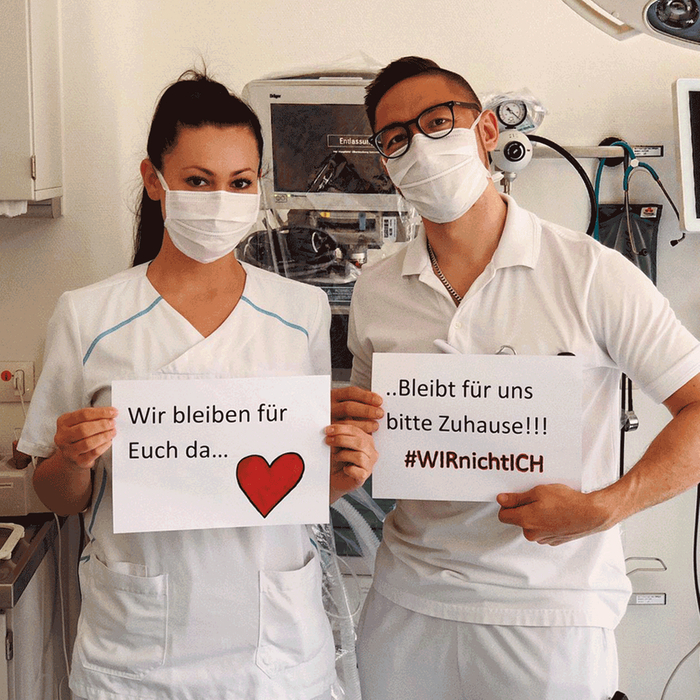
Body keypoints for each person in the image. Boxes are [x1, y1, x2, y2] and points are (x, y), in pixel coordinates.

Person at [332, 56, 700, 700]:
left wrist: (604, 507)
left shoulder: (590, 274)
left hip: (551, 610)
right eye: (395, 138)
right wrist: (347, 436)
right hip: (408, 602)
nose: (419, 145)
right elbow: (371, 433)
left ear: (484, 131)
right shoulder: (377, 288)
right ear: (386, 165)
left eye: (436, 122)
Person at [19, 70, 377, 700]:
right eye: (198, 181)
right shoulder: (89, 316)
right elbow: (56, 495)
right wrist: (72, 459)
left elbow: (295, 484)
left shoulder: (301, 311)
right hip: (139, 645)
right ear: (154, 180)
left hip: (276, 645)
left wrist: (345, 472)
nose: (220, 200)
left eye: (239, 182)